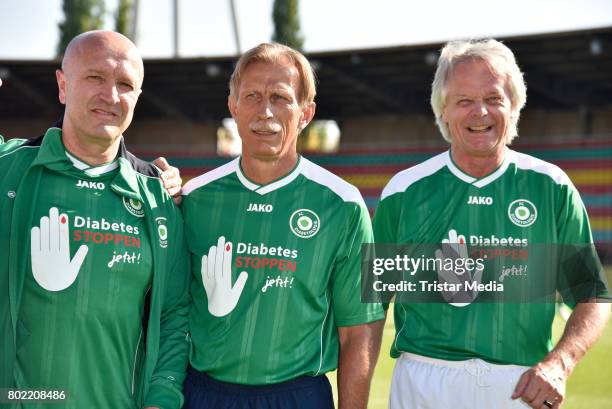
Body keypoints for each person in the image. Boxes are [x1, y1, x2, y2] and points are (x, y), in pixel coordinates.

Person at [373, 39, 610, 409]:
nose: (479, 112)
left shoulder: (551, 186)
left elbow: (592, 294)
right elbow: (369, 308)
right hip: (424, 383)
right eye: (464, 101)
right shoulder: (404, 191)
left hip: (521, 387)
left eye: (494, 98)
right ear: (444, 110)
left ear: (513, 106)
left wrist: (559, 365)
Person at [181, 42, 385, 409]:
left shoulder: (344, 205)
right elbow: (168, 315)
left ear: (306, 113)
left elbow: (359, 329)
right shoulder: (193, 199)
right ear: (233, 106)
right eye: (253, 96)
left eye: (280, 97)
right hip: (204, 393)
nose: (265, 112)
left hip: (298, 395)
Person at [0, 30, 190, 409]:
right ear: (63, 85)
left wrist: (161, 399)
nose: (111, 96)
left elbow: (174, 316)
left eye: (125, 85)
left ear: (137, 97)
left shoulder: (158, 199)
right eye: (95, 78)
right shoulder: (8, 171)